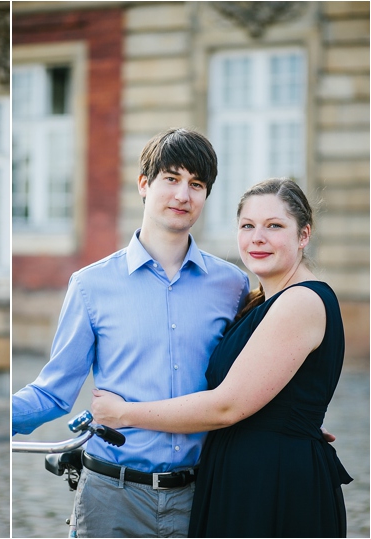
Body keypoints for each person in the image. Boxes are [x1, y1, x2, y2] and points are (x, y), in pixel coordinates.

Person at [12, 128, 250, 537]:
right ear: (144, 184)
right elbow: (53, 393)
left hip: (203, 494)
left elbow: (246, 380)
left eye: (196, 184)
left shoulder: (233, 286)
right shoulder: (90, 285)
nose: (183, 195)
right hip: (111, 496)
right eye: (171, 179)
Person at [92, 178, 352, 537]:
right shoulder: (260, 300)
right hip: (247, 473)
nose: (257, 237)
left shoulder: (301, 301)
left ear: (303, 235)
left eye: (274, 226)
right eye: (247, 226)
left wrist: (123, 414)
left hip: (272, 485)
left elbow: (226, 406)